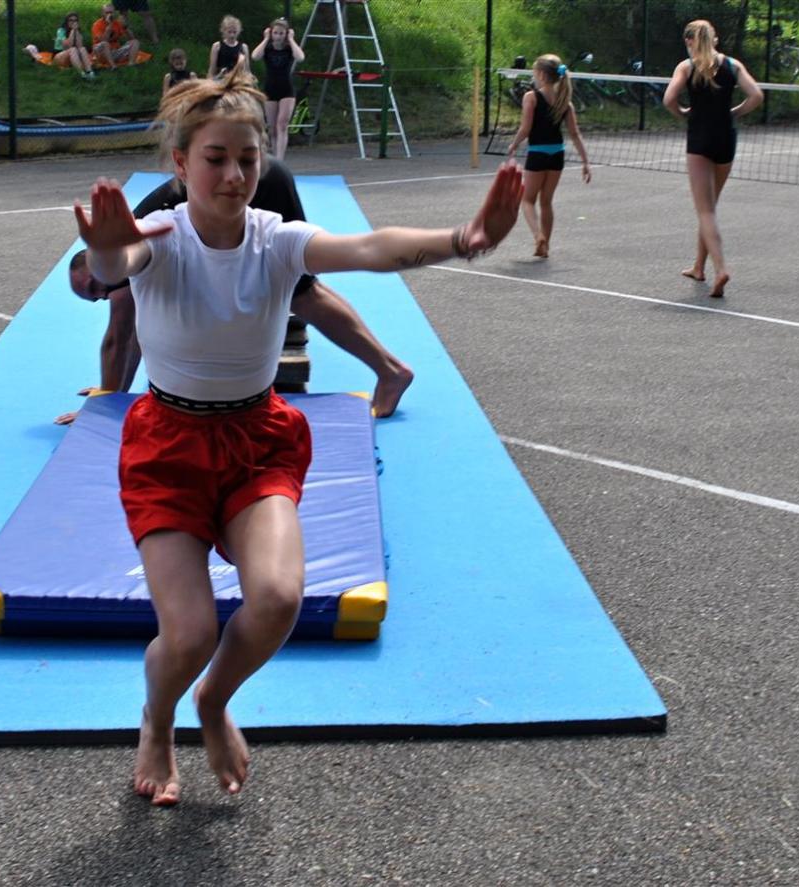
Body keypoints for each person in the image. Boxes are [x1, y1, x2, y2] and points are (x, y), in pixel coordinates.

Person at [73, 66, 522, 806]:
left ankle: (213, 700)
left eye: (247, 159)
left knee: (279, 597)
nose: (234, 175)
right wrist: (103, 251)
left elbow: (371, 249)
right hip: (169, 449)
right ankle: (157, 718)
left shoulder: (276, 240)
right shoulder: (161, 236)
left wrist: (463, 238)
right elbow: (115, 264)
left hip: (256, 439)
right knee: (187, 634)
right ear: (180, 163)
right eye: (215, 158)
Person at [57, 155, 415, 426]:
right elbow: (130, 336)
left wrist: (106, 404)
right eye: (95, 297)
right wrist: (111, 394)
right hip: (254, 174)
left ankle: (390, 369)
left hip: (250, 184)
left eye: (94, 285)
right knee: (303, 290)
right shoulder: (125, 257)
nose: (103, 293)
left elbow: (119, 339)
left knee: (302, 294)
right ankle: (389, 368)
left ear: (91, 258)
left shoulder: (122, 250)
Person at [663, 19, 763, 298]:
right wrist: (735, 112)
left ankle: (720, 269)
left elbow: (668, 99)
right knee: (709, 208)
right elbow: (756, 95)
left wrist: (683, 113)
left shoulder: (686, 67)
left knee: (705, 211)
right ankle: (699, 267)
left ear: (689, 41)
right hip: (726, 138)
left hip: (700, 139)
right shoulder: (733, 65)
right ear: (714, 39)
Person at [502, 53, 591, 258]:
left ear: (541, 75)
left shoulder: (531, 97)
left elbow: (525, 129)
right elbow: (575, 134)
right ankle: (545, 247)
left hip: (537, 153)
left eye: (534, 73)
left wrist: (514, 144)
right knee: (546, 202)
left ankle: (538, 236)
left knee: (527, 200)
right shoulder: (565, 102)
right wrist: (585, 162)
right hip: (557, 155)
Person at [250, 19, 303, 160]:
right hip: (270, 89)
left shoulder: (289, 49)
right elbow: (255, 56)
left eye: (281, 33)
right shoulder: (267, 48)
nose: (278, 36)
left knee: (282, 125)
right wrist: (265, 39)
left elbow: (300, 57)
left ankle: (280, 160)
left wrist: (291, 39)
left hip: (286, 89)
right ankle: (275, 158)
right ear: (271, 33)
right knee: (272, 128)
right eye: (275, 33)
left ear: (286, 34)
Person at [91, 4, 139, 69]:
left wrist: (125, 26)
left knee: (135, 42)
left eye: (111, 12)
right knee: (105, 44)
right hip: (101, 53)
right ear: (102, 13)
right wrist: (110, 25)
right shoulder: (97, 25)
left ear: (114, 13)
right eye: (107, 13)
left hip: (115, 51)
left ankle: (131, 64)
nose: (109, 15)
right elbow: (103, 40)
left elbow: (131, 38)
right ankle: (113, 66)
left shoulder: (117, 23)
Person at [53, 12, 95, 78]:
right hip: (60, 55)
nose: (73, 22)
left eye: (75, 20)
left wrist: (76, 31)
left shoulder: (77, 31)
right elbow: (68, 46)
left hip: (73, 55)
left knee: (82, 48)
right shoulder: (61, 31)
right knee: (72, 49)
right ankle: (81, 73)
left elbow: (80, 45)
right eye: (71, 20)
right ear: (66, 21)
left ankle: (90, 72)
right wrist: (73, 30)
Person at [208, 15, 247, 80]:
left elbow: (247, 70)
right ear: (223, 31)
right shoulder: (217, 46)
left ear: (239, 31)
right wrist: (216, 77)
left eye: (234, 32)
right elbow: (212, 70)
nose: (232, 35)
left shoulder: (243, 47)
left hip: (237, 80)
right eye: (229, 32)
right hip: (220, 79)